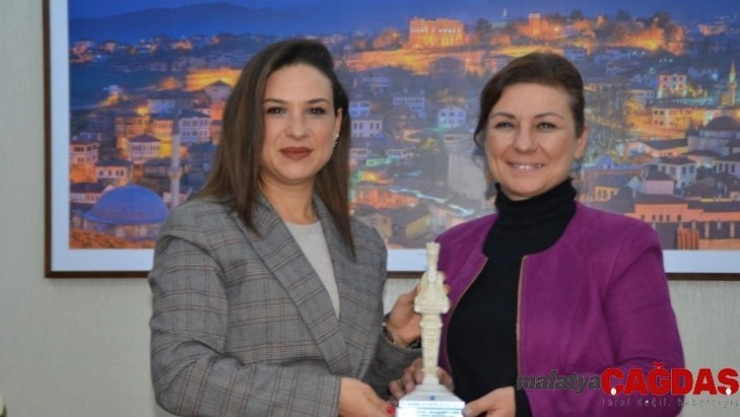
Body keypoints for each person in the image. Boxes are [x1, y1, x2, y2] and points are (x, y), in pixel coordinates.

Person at [389, 52, 684, 417]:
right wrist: (431, 378)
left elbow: (660, 385)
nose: (524, 143)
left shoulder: (624, 244)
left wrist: (531, 406)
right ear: (484, 139)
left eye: (545, 125)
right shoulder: (451, 247)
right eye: (505, 124)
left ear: (579, 140)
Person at [149, 39, 421, 417]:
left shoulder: (364, 244)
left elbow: (358, 389)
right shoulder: (200, 228)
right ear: (249, 124)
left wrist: (395, 339)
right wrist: (330, 397)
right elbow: (180, 377)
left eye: (315, 111)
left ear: (337, 123)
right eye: (276, 110)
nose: (297, 130)